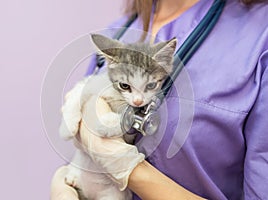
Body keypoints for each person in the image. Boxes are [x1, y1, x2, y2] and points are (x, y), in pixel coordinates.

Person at [50, 0, 268, 199]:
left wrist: (129, 169)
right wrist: (67, 181)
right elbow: (88, 150)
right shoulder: (120, 32)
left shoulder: (259, 37)